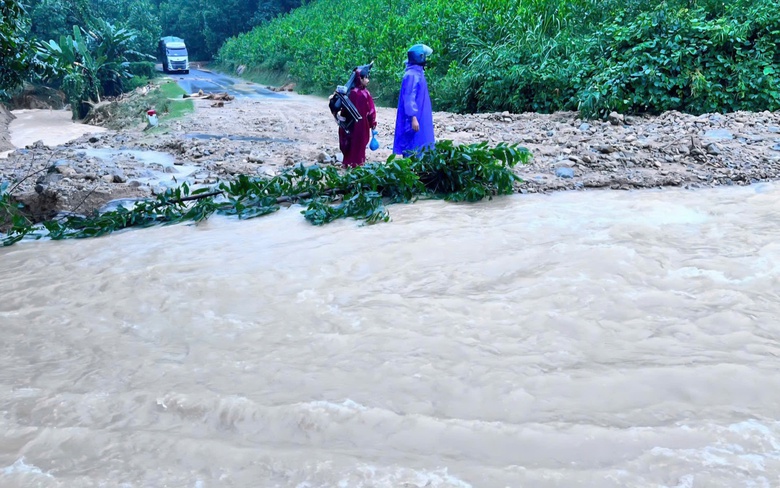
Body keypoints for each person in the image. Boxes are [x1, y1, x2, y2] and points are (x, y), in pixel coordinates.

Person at [393, 44, 435, 156]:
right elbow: (409, 97)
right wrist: (413, 117)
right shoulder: (412, 75)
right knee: (414, 141)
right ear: (420, 57)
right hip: (415, 116)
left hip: (421, 114)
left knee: (422, 138)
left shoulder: (417, 73)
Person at [337, 65, 377, 168]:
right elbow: (371, 110)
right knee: (359, 143)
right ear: (360, 78)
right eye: (366, 78)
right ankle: (358, 163)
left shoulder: (351, 93)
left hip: (350, 125)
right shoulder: (365, 94)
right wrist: (372, 123)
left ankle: (346, 162)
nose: (368, 80)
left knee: (349, 142)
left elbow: (344, 111)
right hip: (361, 125)